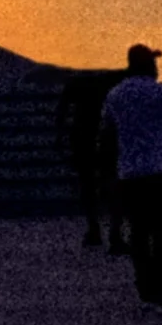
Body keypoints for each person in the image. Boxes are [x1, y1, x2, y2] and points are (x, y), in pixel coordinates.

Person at [100, 43, 162, 309]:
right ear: (148, 66)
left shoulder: (115, 96)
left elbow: (107, 133)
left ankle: (146, 287)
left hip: (131, 173)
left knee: (138, 232)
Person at [53, 66, 126, 250]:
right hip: (106, 135)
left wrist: (59, 135)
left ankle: (95, 229)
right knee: (111, 183)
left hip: (83, 135)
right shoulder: (108, 79)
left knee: (88, 184)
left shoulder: (78, 81)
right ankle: (114, 232)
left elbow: (62, 110)